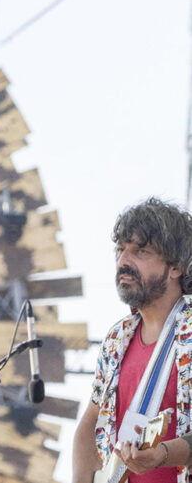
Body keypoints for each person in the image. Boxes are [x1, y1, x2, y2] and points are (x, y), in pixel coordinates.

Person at [73, 198, 192, 483]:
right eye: (120, 249)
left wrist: (163, 453)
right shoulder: (117, 338)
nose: (123, 261)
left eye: (140, 251)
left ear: (175, 266)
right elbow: (89, 426)